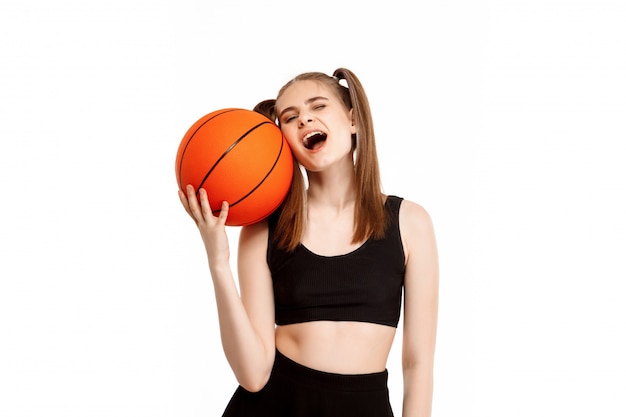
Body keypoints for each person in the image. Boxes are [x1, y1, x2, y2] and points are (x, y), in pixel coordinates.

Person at [178, 68, 439, 417]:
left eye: (318, 106)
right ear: (281, 141)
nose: (304, 119)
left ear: (353, 121)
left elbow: (417, 363)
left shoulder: (411, 223)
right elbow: (253, 375)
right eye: (290, 117)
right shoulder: (263, 230)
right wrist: (218, 262)